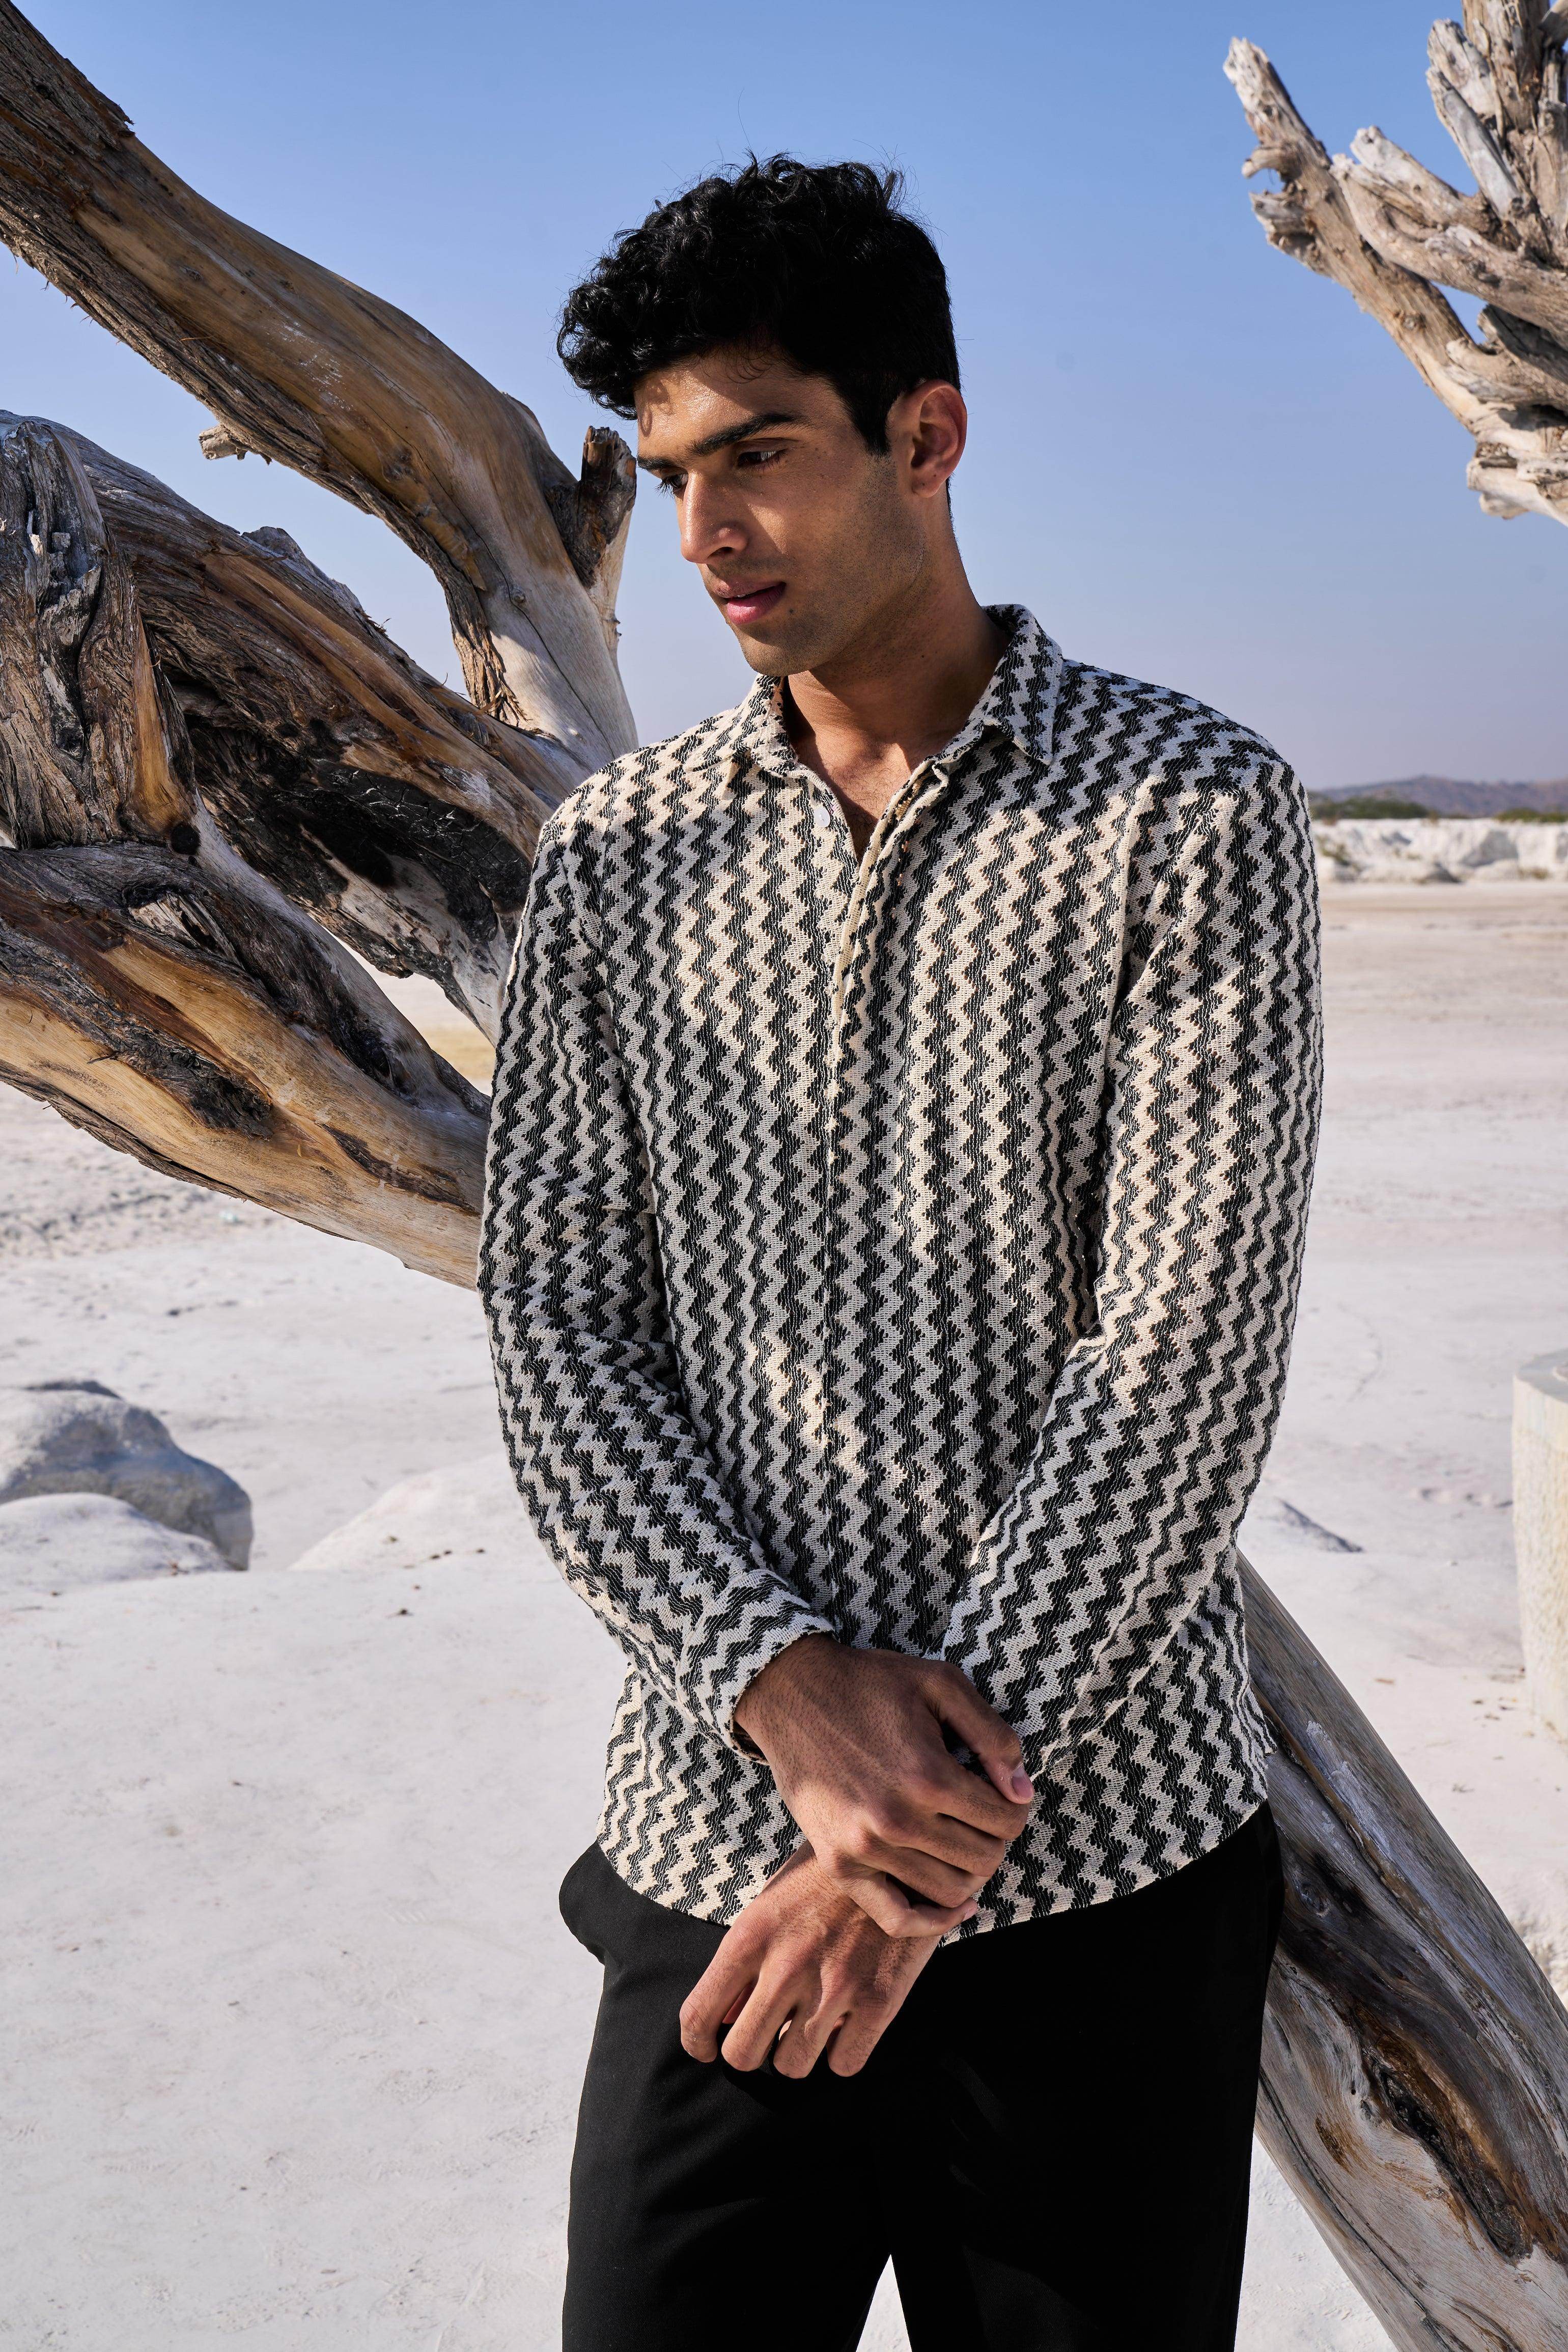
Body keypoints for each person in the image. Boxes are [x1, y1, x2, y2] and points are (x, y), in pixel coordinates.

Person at [479, 155, 1322, 2352]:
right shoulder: (616, 857)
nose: (704, 530)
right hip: (713, 1863)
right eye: (672, 472)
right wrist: (778, 1686)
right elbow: (554, 1325)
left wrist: (910, 1841)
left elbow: (1181, 1359)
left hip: (1099, 1888)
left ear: (924, 436)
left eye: (757, 452)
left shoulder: (1186, 811)